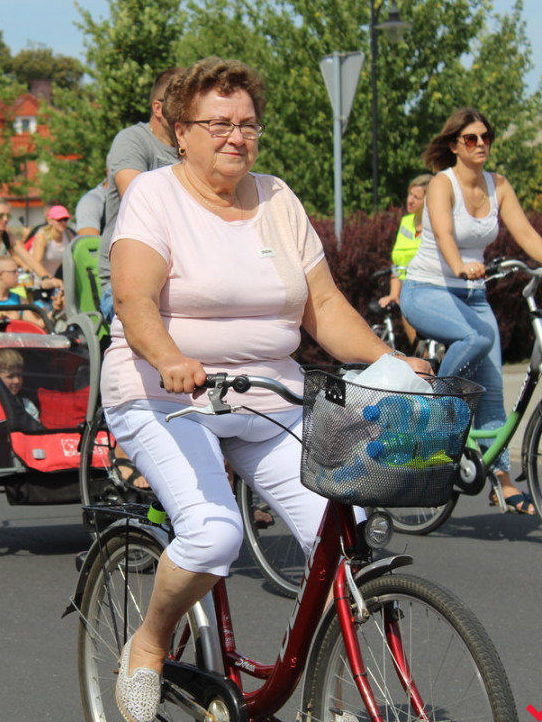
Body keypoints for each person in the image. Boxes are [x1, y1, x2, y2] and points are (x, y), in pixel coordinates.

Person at [100, 58, 430, 722]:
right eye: (218, 123)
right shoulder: (155, 196)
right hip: (166, 395)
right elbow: (134, 301)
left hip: (270, 395)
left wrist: (392, 358)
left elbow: (325, 308)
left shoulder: (277, 198)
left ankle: (339, 685)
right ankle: (149, 643)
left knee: (353, 533)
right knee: (214, 535)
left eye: (247, 123)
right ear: (182, 132)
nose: (235, 136)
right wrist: (169, 356)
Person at [400, 106, 542, 515]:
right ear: (454, 145)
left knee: (494, 389)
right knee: (475, 338)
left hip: (473, 296)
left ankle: (501, 480)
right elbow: (444, 233)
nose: (481, 144)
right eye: (471, 139)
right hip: (427, 289)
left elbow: (527, 235)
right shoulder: (442, 185)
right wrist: (460, 264)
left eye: (485, 138)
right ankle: (434, 416)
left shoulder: (499, 185)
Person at [98, 68, 184, 322]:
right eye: (184, 102)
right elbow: (137, 198)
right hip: (125, 283)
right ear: (158, 108)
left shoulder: (193, 148)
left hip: (183, 280)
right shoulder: (132, 141)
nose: (193, 109)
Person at [378, 174, 433, 346]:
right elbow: (398, 263)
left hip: (431, 287)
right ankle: (422, 356)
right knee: (407, 306)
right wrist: (394, 295)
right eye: (409, 195)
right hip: (408, 291)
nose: (409, 201)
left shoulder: (436, 224)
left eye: (416, 197)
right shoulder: (406, 222)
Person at [0, 256, 45, 327]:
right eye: (14, 272)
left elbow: (37, 325)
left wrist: (54, 312)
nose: (18, 275)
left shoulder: (20, 300)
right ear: (0, 275)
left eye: (18, 271)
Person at [30, 205, 76, 278]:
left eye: (65, 219)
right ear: (50, 221)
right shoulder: (42, 237)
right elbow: (36, 263)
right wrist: (48, 279)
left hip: (56, 279)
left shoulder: (68, 235)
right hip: (39, 279)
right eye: (59, 220)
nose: (63, 223)